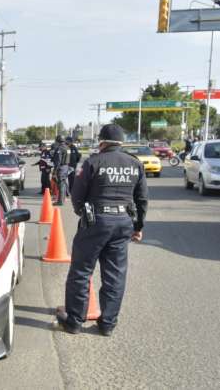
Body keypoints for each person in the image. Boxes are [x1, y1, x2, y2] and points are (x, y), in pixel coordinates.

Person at [56, 124, 148, 336]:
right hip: (123, 221)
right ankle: (107, 324)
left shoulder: (93, 162)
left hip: (96, 221)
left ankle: (74, 322)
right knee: (115, 275)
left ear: (102, 141)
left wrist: (83, 214)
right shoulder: (134, 163)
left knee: (81, 271)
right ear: (121, 142)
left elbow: (77, 195)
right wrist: (138, 226)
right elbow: (142, 198)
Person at [51, 135, 70, 205]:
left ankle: (60, 201)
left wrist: (54, 172)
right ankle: (63, 199)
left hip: (61, 167)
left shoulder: (60, 148)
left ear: (58, 141)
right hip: (66, 167)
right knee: (64, 183)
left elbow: (58, 161)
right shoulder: (67, 147)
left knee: (61, 184)